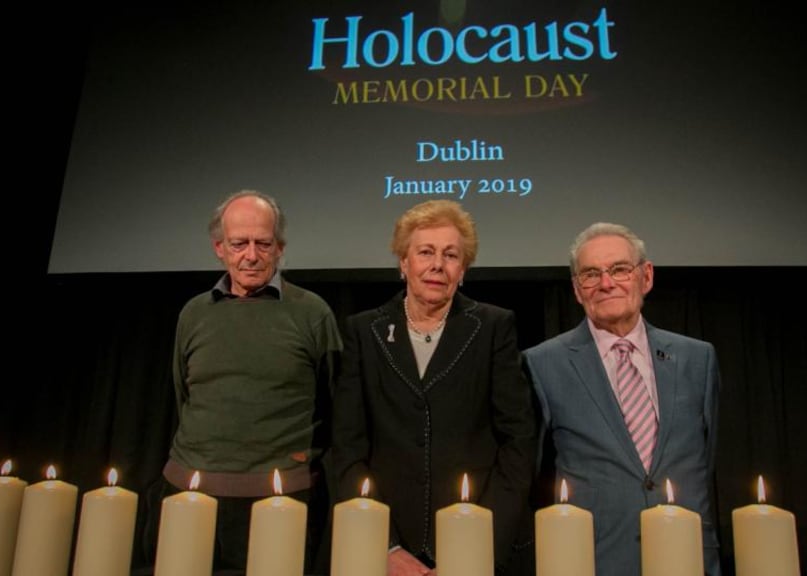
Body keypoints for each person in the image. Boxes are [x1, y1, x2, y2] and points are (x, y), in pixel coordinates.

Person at [332, 200, 537, 576]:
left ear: (463, 269)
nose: (437, 265)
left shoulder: (493, 327)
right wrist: (385, 546)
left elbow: (518, 443)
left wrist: (474, 544)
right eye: (425, 252)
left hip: (476, 544)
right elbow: (346, 449)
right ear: (403, 262)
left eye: (451, 255)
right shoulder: (365, 331)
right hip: (385, 550)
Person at [150, 190, 341, 572]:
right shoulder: (193, 313)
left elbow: (333, 400)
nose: (251, 256)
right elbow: (182, 393)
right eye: (239, 244)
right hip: (188, 494)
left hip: (280, 500)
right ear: (219, 247)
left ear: (280, 247)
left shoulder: (312, 313)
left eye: (263, 244)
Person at [523, 223, 721, 576]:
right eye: (590, 274)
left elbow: (708, 459)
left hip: (688, 556)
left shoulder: (697, 359)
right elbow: (532, 472)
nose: (606, 283)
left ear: (646, 276)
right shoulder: (542, 363)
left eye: (619, 269)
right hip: (593, 560)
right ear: (576, 289)